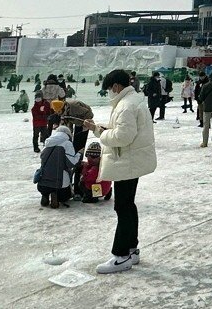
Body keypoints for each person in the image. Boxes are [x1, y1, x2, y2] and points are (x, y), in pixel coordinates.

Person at [86, 69, 157, 274]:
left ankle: (121, 255)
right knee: (128, 205)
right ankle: (132, 249)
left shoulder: (126, 105)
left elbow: (123, 137)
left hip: (127, 162)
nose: (109, 92)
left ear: (116, 86)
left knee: (123, 207)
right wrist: (98, 127)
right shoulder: (133, 101)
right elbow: (121, 129)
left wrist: (101, 135)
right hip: (130, 161)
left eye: (109, 88)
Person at [38, 122, 79, 209]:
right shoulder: (67, 144)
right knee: (66, 196)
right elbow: (71, 163)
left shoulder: (48, 143)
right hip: (59, 182)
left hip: (43, 182)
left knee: (47, 185)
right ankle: (55, 194)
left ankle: (45, 195)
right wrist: (79, 154)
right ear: (68, 134)